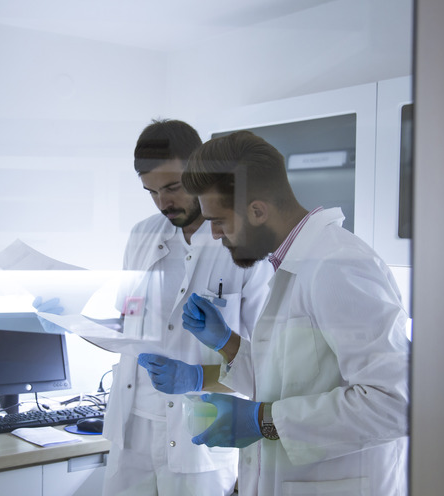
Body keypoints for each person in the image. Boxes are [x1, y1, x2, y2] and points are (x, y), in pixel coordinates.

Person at [166, 129, 410, 495]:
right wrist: (228, 342)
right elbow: (295, 378)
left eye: (219, 220)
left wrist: (262, 419)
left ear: (258, 210)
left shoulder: (338, 265)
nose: (215, 234)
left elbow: (395, 403)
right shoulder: (293, 264)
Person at [100, 120, 273, 496]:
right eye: (151, 192)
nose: (164, 203)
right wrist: (73, 317)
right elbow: (125, 319)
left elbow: (267, 363)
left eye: (173, 187)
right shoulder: (142, 236)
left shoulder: (244, 246)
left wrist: (195, 377)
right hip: (132, 428)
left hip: (200, 431)